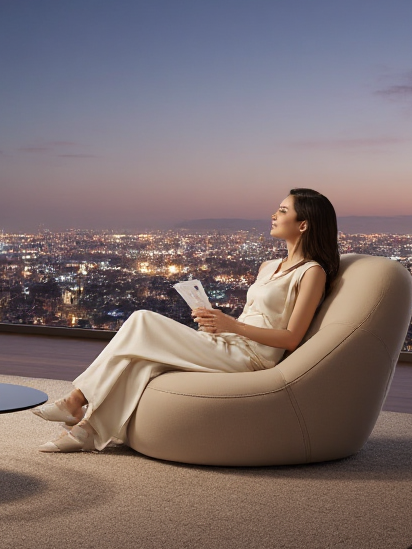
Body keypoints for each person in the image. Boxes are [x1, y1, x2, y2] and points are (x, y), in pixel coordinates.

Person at [36, 188, 339, 452]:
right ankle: (87, 432)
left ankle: (76, 400)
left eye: (283, 210)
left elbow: (291, 338)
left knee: (142, 319)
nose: (273, 214)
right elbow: (255, 317)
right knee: (142, 359)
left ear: (303, 224)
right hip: (229, 342)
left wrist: (230, 325)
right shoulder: (268, 265)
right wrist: (217, 323)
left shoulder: (311, 273)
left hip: (253, 357)